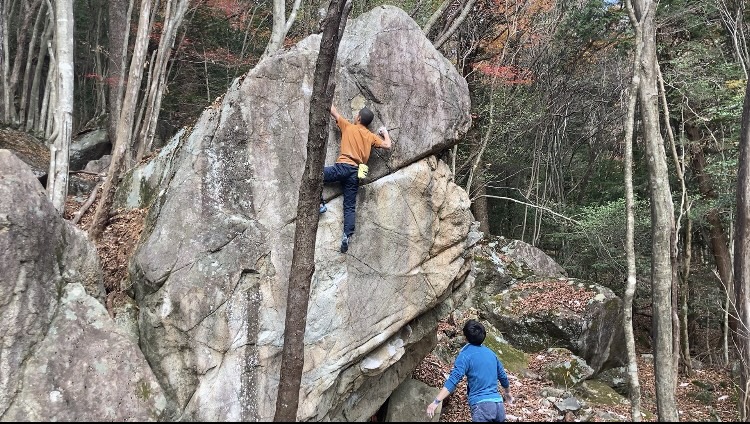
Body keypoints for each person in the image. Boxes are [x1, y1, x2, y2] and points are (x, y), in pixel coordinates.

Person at [320, 104, 392, 253]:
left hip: (342, 167)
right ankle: (346, 235)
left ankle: (320, 203)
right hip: (355, 173)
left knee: (316, 175)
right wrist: (384, 132)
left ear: (358, 118)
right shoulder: (371, 136)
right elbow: (387, 145)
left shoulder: (348, 126)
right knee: (349, 205)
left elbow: (333, 111)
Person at [426, 319, 513, 422]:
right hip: (498, 406)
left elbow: (454, 379)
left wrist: (436, 401)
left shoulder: (465, 355)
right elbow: (502, 376)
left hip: (482, 407)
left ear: (465, 338)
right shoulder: (491, 354)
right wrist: (507, 393)